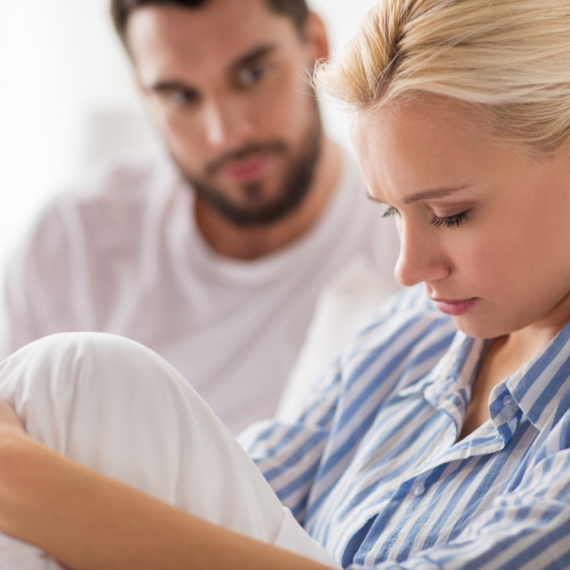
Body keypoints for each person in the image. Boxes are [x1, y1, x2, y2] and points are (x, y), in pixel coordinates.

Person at [1, 0, 570, 568]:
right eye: (390, 214)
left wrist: (32, 486)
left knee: (74, 378)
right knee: (75, 376)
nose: (407, 269)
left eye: (450, 213)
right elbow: (230, 497)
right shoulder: (408, 334)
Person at [0, 0, 401, 434]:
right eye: (180, 96)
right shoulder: (73, 241)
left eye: (252, 74)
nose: (225, 132)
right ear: (145, 97)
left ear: (317, 45)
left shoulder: (413, 253)